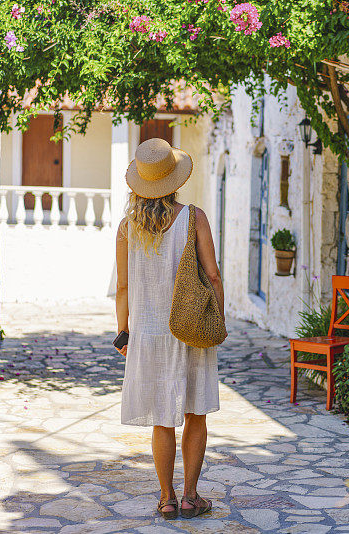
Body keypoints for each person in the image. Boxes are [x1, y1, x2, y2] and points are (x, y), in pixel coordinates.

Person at [114, 138, 223, 520]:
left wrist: (123, 333)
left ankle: (166, 498)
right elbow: (212, 274)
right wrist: (216, 322)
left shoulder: (128, 228)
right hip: (191, 328)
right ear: (174, 180)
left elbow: (124, 287)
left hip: (147, 334)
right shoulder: (195, 218)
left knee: (162, 417)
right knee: (195, 412)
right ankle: (192, 495)